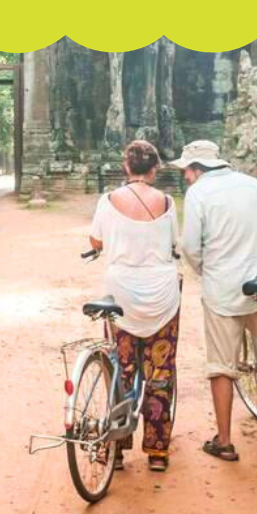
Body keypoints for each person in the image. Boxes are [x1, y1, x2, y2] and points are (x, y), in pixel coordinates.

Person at [170, 140, 257, 463]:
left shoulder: (199, 193)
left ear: (197, 169)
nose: (185, 176)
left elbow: (190, 247)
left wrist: (205, 271)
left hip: (222, 292)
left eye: (186, 170)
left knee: (221, 368)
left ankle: (225, 441)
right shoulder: (253, 186)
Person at [87, 140, 181, 473]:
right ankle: (157, 452)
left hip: (121, 294)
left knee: (122, 369)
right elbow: (173, 244)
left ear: (126, 167)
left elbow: (95, 241)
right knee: (159, 372)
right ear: (155, 169)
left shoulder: (108, 200)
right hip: (162, 297)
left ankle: (116, 448)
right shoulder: (168, 202)